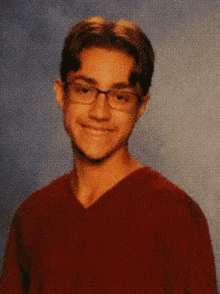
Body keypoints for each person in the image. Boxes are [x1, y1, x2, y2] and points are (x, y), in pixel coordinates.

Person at [0, 16, 217, 293]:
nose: (99, 112)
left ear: (141, 107)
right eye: (84, 90)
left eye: (120, 97)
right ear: (60, 94)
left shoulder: (178, 218)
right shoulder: (32, 217)